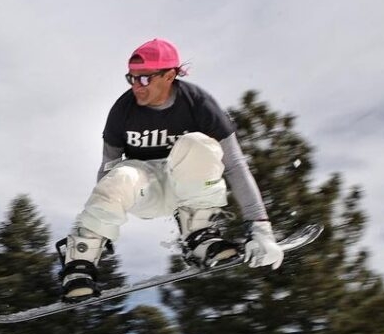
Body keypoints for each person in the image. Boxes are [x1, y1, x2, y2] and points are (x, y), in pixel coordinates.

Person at [57, 38, 284, 301]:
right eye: (131, 78)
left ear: (170, 75)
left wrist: (261, 227)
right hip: (147, 190)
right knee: (119, 174)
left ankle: (199, 234)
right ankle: (80, 263)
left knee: (199, 144)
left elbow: (234, 164)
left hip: (189, 190)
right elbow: (106, 174)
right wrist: (95, 230)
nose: (136, 87)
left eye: (144, 79)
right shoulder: (122, 111)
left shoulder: (198, 103)